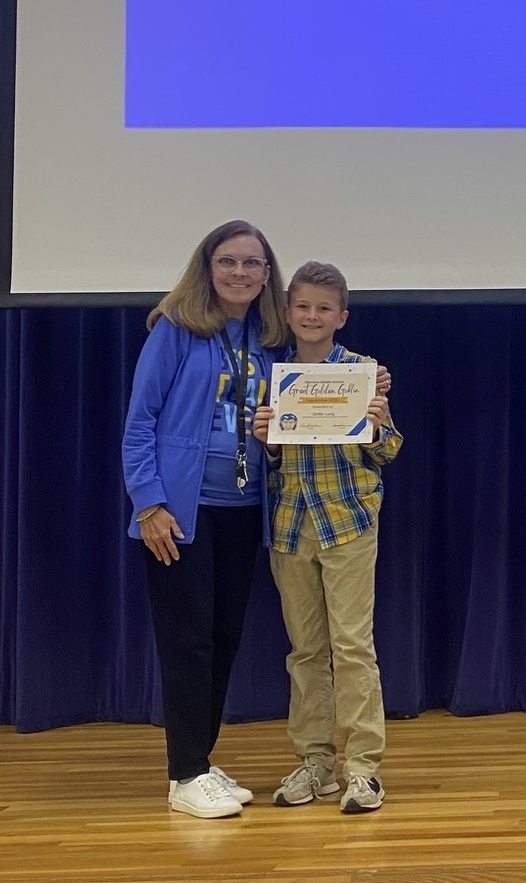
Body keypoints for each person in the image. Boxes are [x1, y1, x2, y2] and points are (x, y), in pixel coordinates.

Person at [121, 220, 288, 819]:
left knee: (222, 640)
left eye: (251, 263)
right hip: (180, 515)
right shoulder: (176, 329)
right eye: (227, 262)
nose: (240, 273)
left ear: (267, 274)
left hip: (244, 512)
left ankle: (199, 759)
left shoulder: (274, 340)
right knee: (186, 642)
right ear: (207, 267)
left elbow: (283, 427)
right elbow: (140, 421)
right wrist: (149, 504)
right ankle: (184, 773)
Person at [252, 261, 401, 814]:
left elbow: (385, 453)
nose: (312, 316)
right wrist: (266, 438)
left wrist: (379, 422)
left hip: (349, 522)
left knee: (353, 647)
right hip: (290, 526)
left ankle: (363, 769)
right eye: (302, 306)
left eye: (323, 308)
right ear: (288, 312)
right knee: (305, 651)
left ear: (341, 317)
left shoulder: (364, 373)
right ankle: (316, 763)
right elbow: (266, 462)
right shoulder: (273, 375)